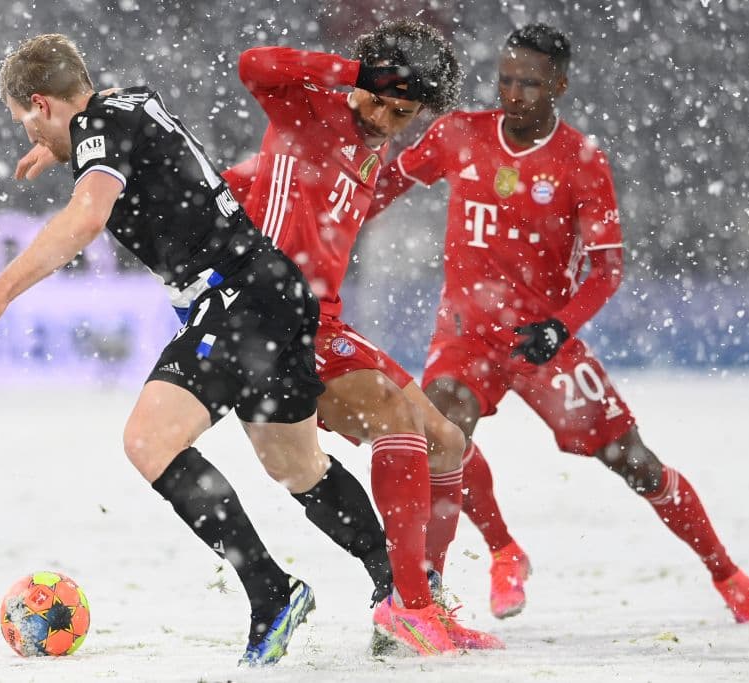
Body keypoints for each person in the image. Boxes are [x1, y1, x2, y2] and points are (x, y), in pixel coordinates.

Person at [0, 33, 399, 667]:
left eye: (26, 120)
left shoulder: (100, 126)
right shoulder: (126, 104)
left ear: (41, 102)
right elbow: (120, 144)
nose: (27, 133)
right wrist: (58, 144)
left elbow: (86, 219)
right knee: (297, 468)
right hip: (273, 289)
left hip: (233, 297)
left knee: (149, 440)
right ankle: (400, 588)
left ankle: (273, 594)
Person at [369, 23, 749, 624]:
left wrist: (559, 327)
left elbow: (608, 270)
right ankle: (446, 587)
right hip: (468, 332)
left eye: (529, 83)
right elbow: (386, 184)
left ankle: (728, 574)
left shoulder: (581, 161)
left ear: (558, 83)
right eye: (505, 79)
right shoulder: (459, 134)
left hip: (542, 341)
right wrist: (324, 202)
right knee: (441, 430)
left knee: (633, 461)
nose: (513, 94)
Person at [222, 19, 503, 654]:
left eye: (402, 111)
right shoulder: (309, 104)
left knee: (447, 440)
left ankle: (421, 595)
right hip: (274, 318)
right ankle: (409, 606)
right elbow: (254, 62)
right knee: (393, 417)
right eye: (377, 98)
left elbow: (282, 188)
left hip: (325, 319)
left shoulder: (375, 144)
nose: (383, 115)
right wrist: (354, 74)